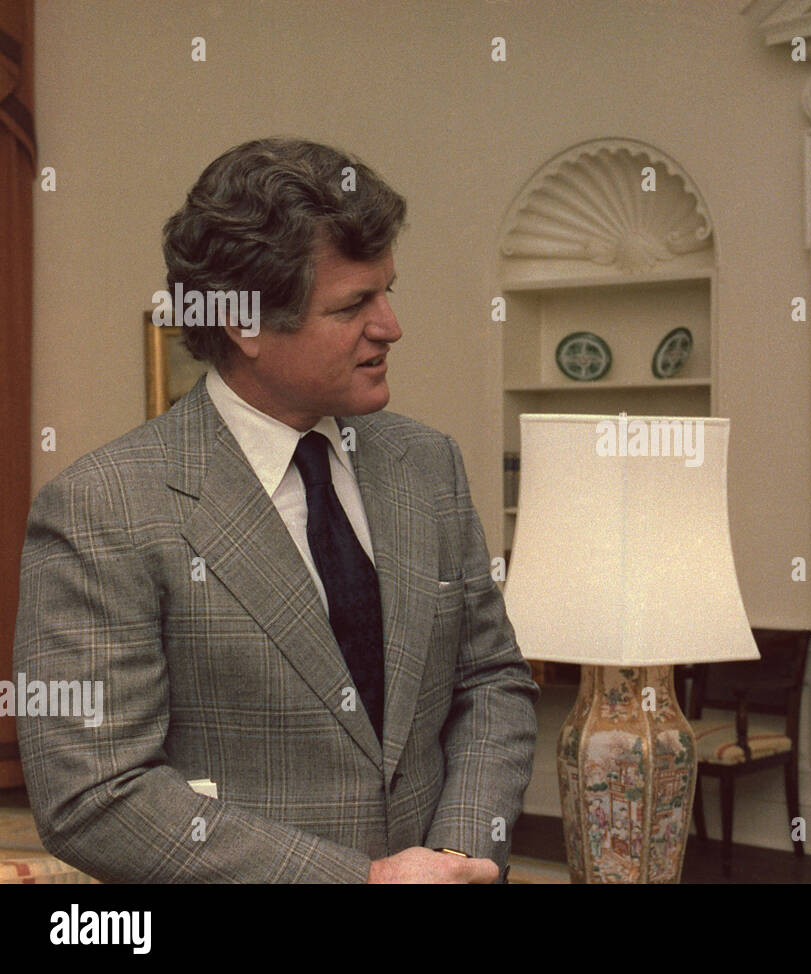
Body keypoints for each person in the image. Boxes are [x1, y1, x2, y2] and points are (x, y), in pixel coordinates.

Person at [15, 137, 538, 883]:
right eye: (354, 304)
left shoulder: (427, 464)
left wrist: (455, 856)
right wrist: (360, 882)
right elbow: (96, 794)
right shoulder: (102, 508)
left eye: (387, 291)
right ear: (245, 325)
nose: (391, 326)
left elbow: (491, 682)